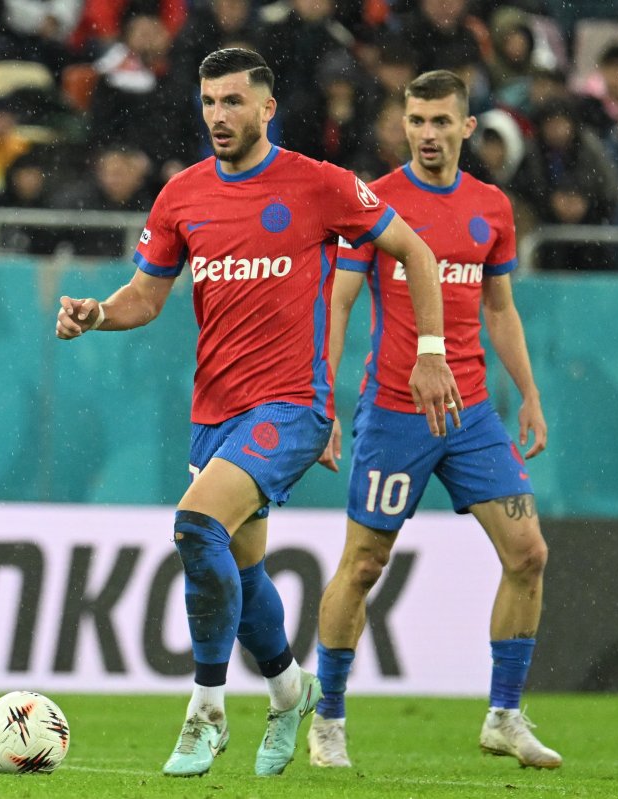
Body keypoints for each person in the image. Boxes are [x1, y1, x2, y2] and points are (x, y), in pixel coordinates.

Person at [55, 48, 456, 778]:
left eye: (233, 101)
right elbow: (145, 297)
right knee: (241, 572)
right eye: (209, 101)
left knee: (195, 524)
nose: (218, 115)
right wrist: (98, 313)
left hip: (293, 406)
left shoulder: (318, 183)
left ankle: (206, 711)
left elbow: (416, 251)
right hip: (214, 412)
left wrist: (431, 351)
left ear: (267, 108)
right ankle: (289, 691)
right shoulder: (181, 195)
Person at [310, 70, 562, 770]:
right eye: (416, 120)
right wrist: (323, 398)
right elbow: (339, 301)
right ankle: (327, 718)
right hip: (395, 412)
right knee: (364, 564)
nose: (427, 133)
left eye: (440, 121)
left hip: (472, 414)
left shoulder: (492, 207)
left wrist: (530, 394)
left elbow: (500, 310)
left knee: (529, 553)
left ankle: (504, 715)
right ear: (404, 124)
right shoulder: (375, 201)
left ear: (466, 127)